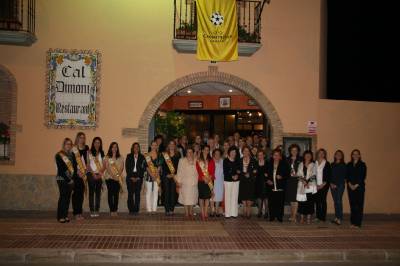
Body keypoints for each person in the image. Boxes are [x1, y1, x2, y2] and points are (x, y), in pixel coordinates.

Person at [55, 138, 76, 223]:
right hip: (62, 179)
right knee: (63, 197)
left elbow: (74, 167)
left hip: (70, 179)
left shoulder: (72, 155)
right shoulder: (59, 155)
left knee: (67, 198)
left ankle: (65, 215)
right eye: (67, 144)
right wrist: (68, 180)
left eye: (70, 144)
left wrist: (72, 179)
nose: (69, 146)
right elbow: (61, 169)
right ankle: (60, 216)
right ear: (64, 145)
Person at [266, 149, 289, 222]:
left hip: (280, 186)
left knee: (280, 202)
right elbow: (265, 174)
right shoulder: (269, 163)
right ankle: (272, 216)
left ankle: (279, 217)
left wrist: (282, 177)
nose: (276, 156)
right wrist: (267, 180)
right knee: (271, 202)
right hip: (271, 186)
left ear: (280, 156)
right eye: (275, 155)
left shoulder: (284, 164)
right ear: (272, 156)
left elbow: (288, 175)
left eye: (278, 155)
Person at [346, 149, 367, 228]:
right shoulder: (349, 164)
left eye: (357, 154)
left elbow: (362, 176)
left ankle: (358, 223)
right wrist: (350, 184)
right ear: (351, 156)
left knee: (359, 205)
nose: (355, 155)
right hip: (350, 187)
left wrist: (356, 185)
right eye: (353, 154)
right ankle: (352, 222)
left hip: (359, 187)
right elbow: (347, 176)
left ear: (359, 155)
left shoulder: (362, 164)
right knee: (352, 205)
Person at [176, 147, 198, 218]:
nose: (190, 153)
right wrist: (178, 182)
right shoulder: (181, 160)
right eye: (188, 152)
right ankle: (186, 212)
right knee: (185, 198)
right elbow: (179, 171)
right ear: (186, 153)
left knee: (192, 198)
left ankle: (191, 212)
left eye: (191, 152)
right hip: (184, 182)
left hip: (193, 182)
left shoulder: (196, 160)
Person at [104, 142, 124, 216]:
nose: (114, 148)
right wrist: (113, 176)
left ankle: (115, 210)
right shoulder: (107, 157)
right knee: (110, 194)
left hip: (118, 178)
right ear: (110, 148)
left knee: (116, 194)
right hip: (109, 178)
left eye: (116, 147)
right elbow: (107, 168)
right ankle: (111, 210)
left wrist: (117, 176)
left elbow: (122, 168)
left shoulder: (121, 157)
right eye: (113, 147)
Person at [71, 132, 89, 220]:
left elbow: (87, 161)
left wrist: (85, 171)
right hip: (76, 174)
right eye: (81, 137)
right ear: (77, 138)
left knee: (81, 194)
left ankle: (80, 213)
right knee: (76, 194)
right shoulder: (73, 149)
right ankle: (75, 213)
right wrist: (78, 171)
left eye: (83, 138)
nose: (82, 139)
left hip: (83, 174)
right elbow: (72, 162)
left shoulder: (86, 148)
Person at [296, 150, 317, 224]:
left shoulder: (313, 164)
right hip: (302, 185)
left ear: (311, 157)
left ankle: (308, 218)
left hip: (310, 186)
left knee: (310, 202)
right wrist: (304, 181)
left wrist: (307, 182)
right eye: (306, 155)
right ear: (304, 156)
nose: (308, 156)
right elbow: (298, 175)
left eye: (309, 155)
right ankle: (302, 218)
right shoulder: (300, 164)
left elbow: (314, 175)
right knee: (302, 202)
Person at [125, 142, 146, 216]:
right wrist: (131, 177)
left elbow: (143, 168)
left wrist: (139, 177)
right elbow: (127, 167)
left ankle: (136, 210)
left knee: (137, 194)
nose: (136, 148)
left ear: (139, 148)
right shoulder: (129, 156)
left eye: (137, 147)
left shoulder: (142, 157)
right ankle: (131, 209)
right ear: (132, 148)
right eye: (135, 147)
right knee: (130, 194)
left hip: (139, 176)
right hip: (130, 176)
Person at [161, 140, 180, 216]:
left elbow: (179, 167)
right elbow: (163, 166)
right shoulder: (164, 154)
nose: (172, 145)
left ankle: (172, 209)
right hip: (166, 176)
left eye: (173, 144)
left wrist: (174, 175)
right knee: (166, 192)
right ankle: (167, 209)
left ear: (175, 146)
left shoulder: (178, 155)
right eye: (170, 144)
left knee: (173, 193)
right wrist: (167, 174)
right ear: (168, 145)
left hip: (174, 176)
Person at [196, 145, 215, 220]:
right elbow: (198, 169)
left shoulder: (211, 160)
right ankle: (202, 212)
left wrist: (209, 178)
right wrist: (203, 177)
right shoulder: (198, 160)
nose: (206, 151)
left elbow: (213, 170)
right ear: (202, 150)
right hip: (201, 180)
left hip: (209, 180)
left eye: (208, 150)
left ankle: (206, 212)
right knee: (201, 197)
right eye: (205, 149)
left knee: (207, 197)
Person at [87, 137, 105, 217]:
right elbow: (87, 165)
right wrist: (93, 173)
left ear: (100, 144)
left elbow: (104, 165)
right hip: (91, 174)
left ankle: (97, 210)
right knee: (91, 193)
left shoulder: (102, 152)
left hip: (99, 174)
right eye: (95, 142)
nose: (97, 144)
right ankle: (92, 210)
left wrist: (100, 173)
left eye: (98, 142)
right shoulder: (89, 152)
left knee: (98, 193)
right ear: (93, 143)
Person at [238, 146, 257, 219]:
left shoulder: (253, 160)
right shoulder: (240, 160)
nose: (246, 152)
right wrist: (243, 173)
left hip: (250, 181)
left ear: (249, 152)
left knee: (249, 197)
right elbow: (238, 170)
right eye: (244, 151)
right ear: (242, 152)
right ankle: (244, 213)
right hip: (242, 181)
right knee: (243, 197)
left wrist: (250, 173)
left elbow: (255, 170)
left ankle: (248, 214)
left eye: (247, 151)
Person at [144, 141, 162, 214]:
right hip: (149, 176)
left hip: (157, 176)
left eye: (155, 145)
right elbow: (146, 167)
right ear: (150, 146)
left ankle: (154, 210)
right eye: (153, 145)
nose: (154, 146)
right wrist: (151, 175)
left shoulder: (159, 155)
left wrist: (156, 174)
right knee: (148, 192)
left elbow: (160, 166)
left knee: (155, 192)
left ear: (157, 146)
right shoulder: (147, 155)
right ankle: (149, 210)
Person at [286, 144, 302, 223]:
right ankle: (292, 215)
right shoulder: (287, 159)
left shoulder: (301, 159)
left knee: (295, 199)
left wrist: (298, 175)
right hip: (289, 181)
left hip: (297, 180)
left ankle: (294, 216)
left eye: (296, 150)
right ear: (290, 151)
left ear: (298, 151)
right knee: (291, 199)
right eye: (292, 150)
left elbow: (303, 170)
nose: (294, 151)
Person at [315, 148, 332, 222]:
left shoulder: (327, 163)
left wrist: (322, 185)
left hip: (324, 185)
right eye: (320, 153)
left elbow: (329, 175)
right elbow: (312, 174)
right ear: (317, 154)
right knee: (317, 201)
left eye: (323, 153)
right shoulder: (314, 162)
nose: (321, 154)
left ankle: (323, 217)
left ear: (324, 155)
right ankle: (318, 216)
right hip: (315, 185)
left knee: (323, 200)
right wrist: (316, 185)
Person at [330, 150, 346, 225]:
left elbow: (343, 176)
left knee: (339, 201)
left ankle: (339, 218)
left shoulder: (344, 165)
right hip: (332, 185)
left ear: (342, 156)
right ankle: (336, 217)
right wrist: (331, 183)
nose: (338, 155)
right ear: (335, 155)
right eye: (337, 154)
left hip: (340, 185)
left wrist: (336, 184)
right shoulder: (332, 164)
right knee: (335, 201)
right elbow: (329, 175)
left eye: (340, 154)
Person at [223, 146, 240, 218]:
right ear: (229, 152)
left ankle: (234, 213)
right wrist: (232, 176)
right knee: (228, 197)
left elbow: (239, 170)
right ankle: (227, 214)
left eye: (234, 152)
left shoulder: (238, 161)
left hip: (236, 181)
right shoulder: (225, 160)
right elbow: (225, 171)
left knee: (235, 197)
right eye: (232, 152)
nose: (233, 153)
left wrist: (237, 175)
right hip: (228, 181)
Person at [255, 149, 269, 219]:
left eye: (261, 155)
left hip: (266, 182)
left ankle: (266, 212)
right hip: (258, 182)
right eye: (258, 155)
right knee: (259, 197)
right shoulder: (256, 163)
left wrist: (267, 175)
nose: (260, 156)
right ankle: (259, 211)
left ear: (264, 155)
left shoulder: (267, 163)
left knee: (266, 198)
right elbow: (254, 172)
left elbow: (269, 172)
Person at [210, 148, 224, 217]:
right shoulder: (211, 161)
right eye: (216, 154)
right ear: (213, 154)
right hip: (213, 181)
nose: (217, 155)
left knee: (218, 195)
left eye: (218, 154)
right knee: (212, 195)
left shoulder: (222, 161)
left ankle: (217, 210)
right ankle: (212, 210)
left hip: (220, 181)